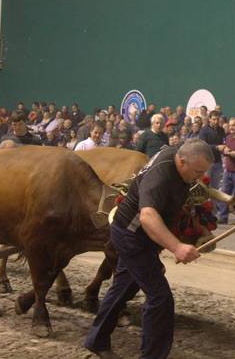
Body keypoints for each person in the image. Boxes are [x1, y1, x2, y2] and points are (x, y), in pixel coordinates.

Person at [84, 139, 212, 358]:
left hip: (138, 236)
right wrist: (177, 247)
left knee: (123, 287)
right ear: (181, 161)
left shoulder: (176, 156)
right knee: (160, 298)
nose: (199, 178)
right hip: (132, 237)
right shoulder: (161, 178)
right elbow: (148, 216)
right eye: (197, 171)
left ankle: (96, 340)